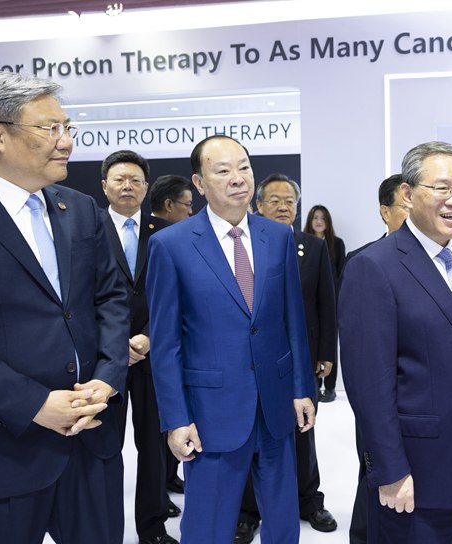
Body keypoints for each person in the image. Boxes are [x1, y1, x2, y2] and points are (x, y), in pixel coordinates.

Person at [339, 141, 452, 543]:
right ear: (407, 193)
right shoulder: (373, 267)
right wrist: (390, 470)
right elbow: (369, 386)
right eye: (441, 188)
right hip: (416, 476)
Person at [146, 135, 316, 544]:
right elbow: (165, 344)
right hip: (211, 412)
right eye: (223, 170)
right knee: (208, 526)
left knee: (283, 523)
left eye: (243, 167)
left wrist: (301, 388)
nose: (238, 178)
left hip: (275, 405)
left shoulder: (278, 236)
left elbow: (292, 321)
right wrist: (176, 419)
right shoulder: (170, 245)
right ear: (200, 183)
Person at [0, 72, 129, 542]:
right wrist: (34, 404)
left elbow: (111, 297)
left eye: (67, 127)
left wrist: (107, 377)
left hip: (92, 437)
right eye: (50, 129)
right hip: (3, 449)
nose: (66, 141)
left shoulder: (80, 208)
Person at [231, 174, 338, 542]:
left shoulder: (312, 246)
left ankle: (309, 500)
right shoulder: (243, 244)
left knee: (303, 431)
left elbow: (326, 303)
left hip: (301, 358)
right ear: (258, 205)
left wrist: (326, 353)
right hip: (256, 360)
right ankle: (248, 511)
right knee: (252, 433)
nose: (283, 206)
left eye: (289, 200)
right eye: (274, 200)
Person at [100, 149, 179, 544]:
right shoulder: (85, 228)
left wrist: (149, 335)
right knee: (104, 448)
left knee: (154, 448)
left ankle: (152, 527)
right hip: (104, 359)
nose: (127, 186)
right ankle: (104, 529)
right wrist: (117, 341)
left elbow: (174, 294)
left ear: (146, 188)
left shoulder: (165, 232)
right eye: (119, 179)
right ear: (105, 186)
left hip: (154, 354)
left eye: (135, 180)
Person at [344, 173, 411, 544]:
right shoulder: (363, 261)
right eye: (406, 206)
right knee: (374, 475)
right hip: (380, 396)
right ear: (385, 212)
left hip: (425, 403)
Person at [146, 173, 193, 497]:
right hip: (149, 343)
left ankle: (168, 478)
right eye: (186, 205)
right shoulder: (164, 240)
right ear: (169, 204)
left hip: (160, 339)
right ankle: (159, 489)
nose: (191, 212)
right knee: (156, 427)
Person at [304, 203, 346, 403]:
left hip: (332, 301)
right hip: (309, 303)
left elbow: (341, 272)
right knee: (313, 342)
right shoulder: (303, 242)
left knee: (329, 343)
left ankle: (329, 387)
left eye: (322, 218)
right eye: (315, 218)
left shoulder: (336, 243)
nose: (319, 221)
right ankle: (315, 383)